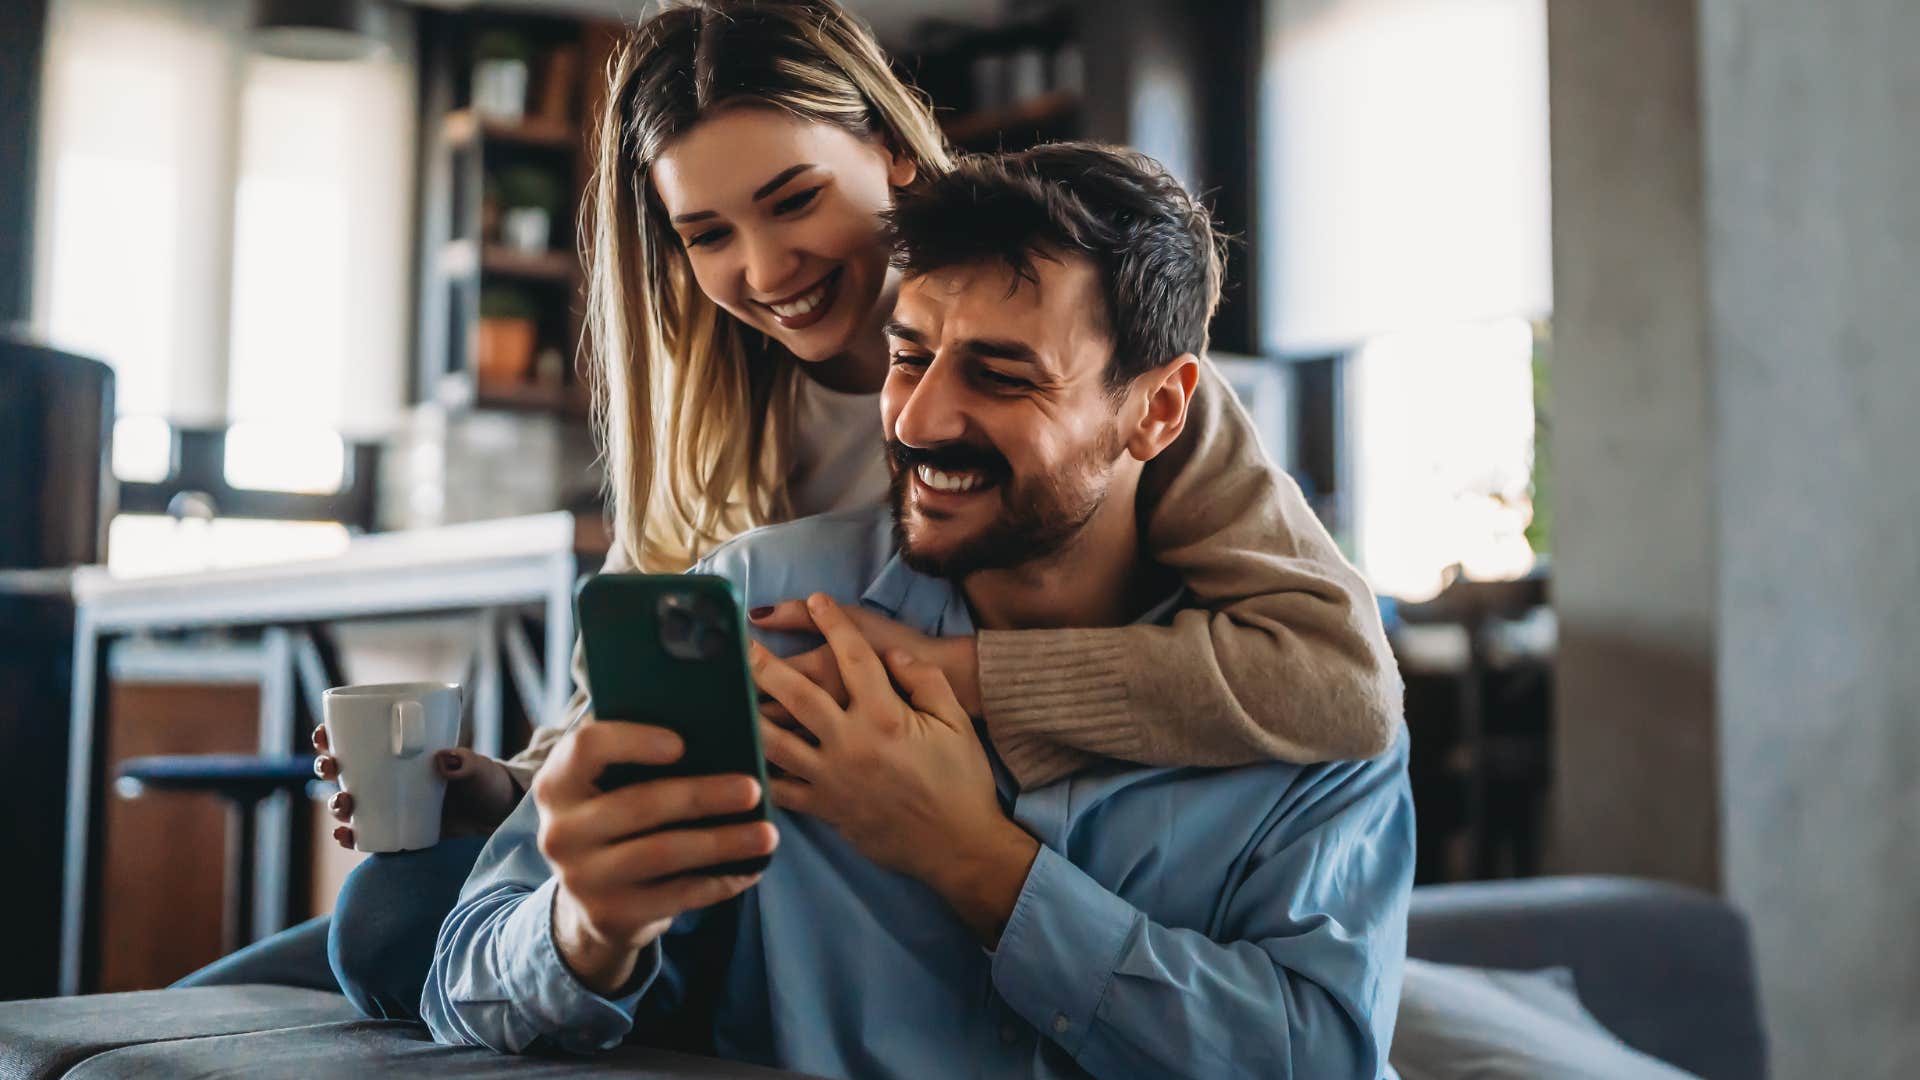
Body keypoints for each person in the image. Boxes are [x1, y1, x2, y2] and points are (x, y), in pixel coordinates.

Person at [275, 0, 1398, 1022]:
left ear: (895, 165)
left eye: (793, 199)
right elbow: (643, 710)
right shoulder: (719, 431)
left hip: (986, 856)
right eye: (706, 233)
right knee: (384, 916)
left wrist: (933, 681)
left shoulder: (1121, 384)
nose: (764, 269)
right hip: (781, 871)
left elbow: (1340, 682)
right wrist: (521, 788)